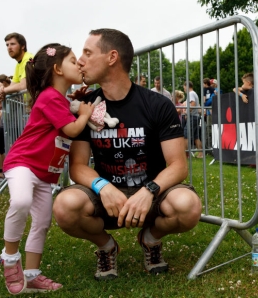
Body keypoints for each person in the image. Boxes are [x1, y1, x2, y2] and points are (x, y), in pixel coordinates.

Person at [52, 29, 202, 281]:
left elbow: (178, 165)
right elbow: (77, 167)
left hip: (151, 195)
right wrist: (103, 187)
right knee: (65, 207)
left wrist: (149, 190)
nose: (80, 60)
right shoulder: (86, 106)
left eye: (88, 53)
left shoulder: (157, 104)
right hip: (105, 195)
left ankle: (150, 238)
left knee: (188, 207)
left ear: (112, 57)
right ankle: (106, 246)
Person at [0, 43, 93, 295]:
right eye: (73, 61)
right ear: (58, 70)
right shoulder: (50, 96)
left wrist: (76, 104)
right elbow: (72, 130)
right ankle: (10, 258)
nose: (79, 64)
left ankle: (31, 276)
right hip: (23, 162)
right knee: (20, 201)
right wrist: (84, 114)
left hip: (44, 172)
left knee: (42, 222)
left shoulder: (59, 98)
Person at [0, 33, 34, 99]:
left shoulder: (28, 59)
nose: (9, 47)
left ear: (22, 46)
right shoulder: (18, 64)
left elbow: (23, 86)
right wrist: (3, 89)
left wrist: (4, 90)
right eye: (7, 45)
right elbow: (13, 85)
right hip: (30, 105)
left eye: (12, 44)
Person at [182, 81, 204, 158]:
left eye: (184, 87)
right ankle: (201, 154)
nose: (184, 89)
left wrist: (187, 113)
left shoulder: (190, 94)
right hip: (196, 116)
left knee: (186, 134)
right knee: (195, 136)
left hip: (192, 117)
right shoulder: (194, 93)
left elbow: (193, 104)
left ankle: (186, 154)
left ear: (186, 86)